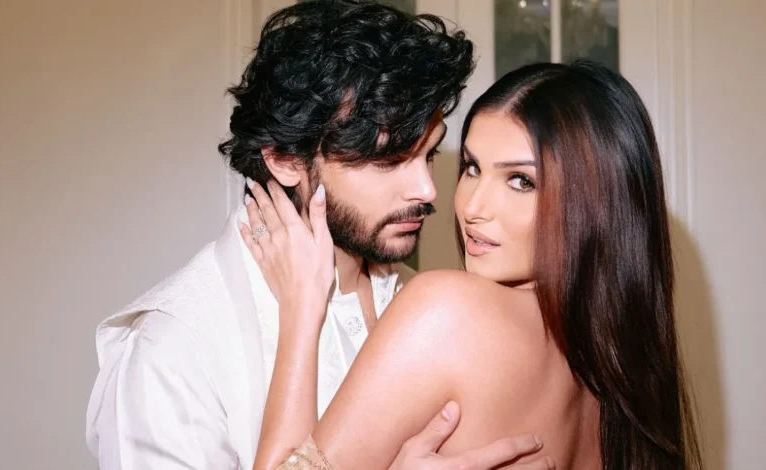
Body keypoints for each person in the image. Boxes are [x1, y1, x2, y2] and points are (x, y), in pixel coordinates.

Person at [85, 1, 551, 469]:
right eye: (388, 160)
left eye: (428, 155)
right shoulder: (173, 348)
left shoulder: (429, 304)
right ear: (285, 160)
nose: (427, 189)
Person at [241, 60, 704, 470]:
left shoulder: (448, 310)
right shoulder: (618, 372)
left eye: (520, 181)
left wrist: (301, 310)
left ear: (596, 203)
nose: (472, 207)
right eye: (472, 167)